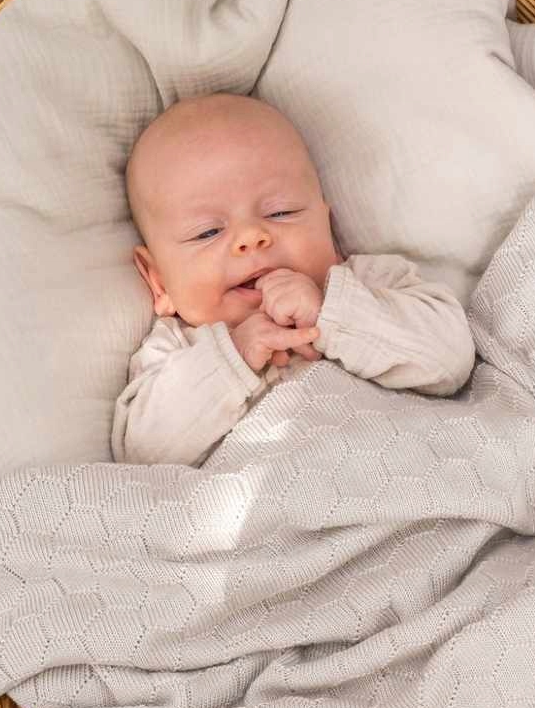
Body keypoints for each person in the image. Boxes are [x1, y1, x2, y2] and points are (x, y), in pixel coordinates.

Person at [112, 92, 476, 467]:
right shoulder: (175, 350)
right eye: (207, 232)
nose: (250, 237)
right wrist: (232, 356)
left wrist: (331, 312)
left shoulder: (369, 284)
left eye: (281, 212)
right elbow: (142, 455)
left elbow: (452, 358)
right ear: (159, 282)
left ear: (328, 228)